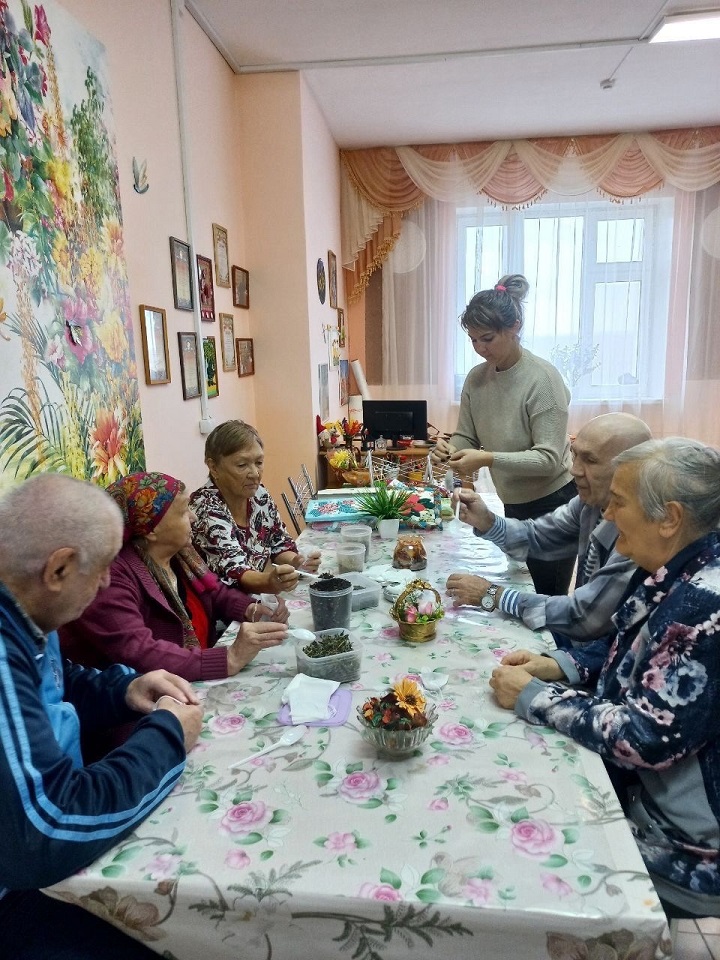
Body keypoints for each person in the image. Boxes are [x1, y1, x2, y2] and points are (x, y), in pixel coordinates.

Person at [489, 438, 720, 918]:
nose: (608, 517)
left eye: (619, 503)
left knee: (512, 850)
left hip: (683, 844)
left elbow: (644, 737)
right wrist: (564, 666)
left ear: (669, 517)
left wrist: (536, 695)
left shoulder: (703, 605)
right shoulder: (676, 564)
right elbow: (627, 646)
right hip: (645, 794)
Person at [0, 472, 204, 959]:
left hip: (33, 858)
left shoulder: (26, 607)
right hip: (19, 891)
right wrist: (168, 737)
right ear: (60, 569)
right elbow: (47, 830)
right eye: (105, 567)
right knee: (177, 937)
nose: (111, 581)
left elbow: (58, 680)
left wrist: (125, 689)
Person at [446, 413, 652, 647]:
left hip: (604, 659)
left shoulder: (641, 532)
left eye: (590, 460)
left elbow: (584, 617)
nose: (574, 470)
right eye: (574, 455)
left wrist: (494, 595)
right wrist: (487, 521)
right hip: (585, 647)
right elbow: (539, 537)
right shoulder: (590, 504)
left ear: (632, 469)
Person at [61, 472, 288, 683]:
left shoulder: (181, 555)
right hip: (144, 703)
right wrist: (228, 658)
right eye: (183, 511)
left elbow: (216, 593)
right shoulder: (110, 580)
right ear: (150, 530)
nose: (193, 516)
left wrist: (254, 609)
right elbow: (139, 651)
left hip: (190, 675)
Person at [432, 274, 576, 597]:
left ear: (514, 327)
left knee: (546, 601)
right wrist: (448, 449)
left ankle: (556, 652)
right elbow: (465, 437)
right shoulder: (476, 380)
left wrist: (488, 458)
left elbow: (549, 459)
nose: (480, 349)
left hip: (553, 505)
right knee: (518, 590)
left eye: (487, 339)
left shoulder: (542, 380)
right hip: (514, 502)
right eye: (473, 341)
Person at [190, 419, 320, 594]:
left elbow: (279, 544)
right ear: (213, 467)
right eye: (242, 465)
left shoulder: (259, 495)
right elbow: (235, 572)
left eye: (259, 462)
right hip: (220, 609)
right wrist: (270, 581)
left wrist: (298, 561)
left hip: (253, 597)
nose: (255, 474)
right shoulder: (205, 507)